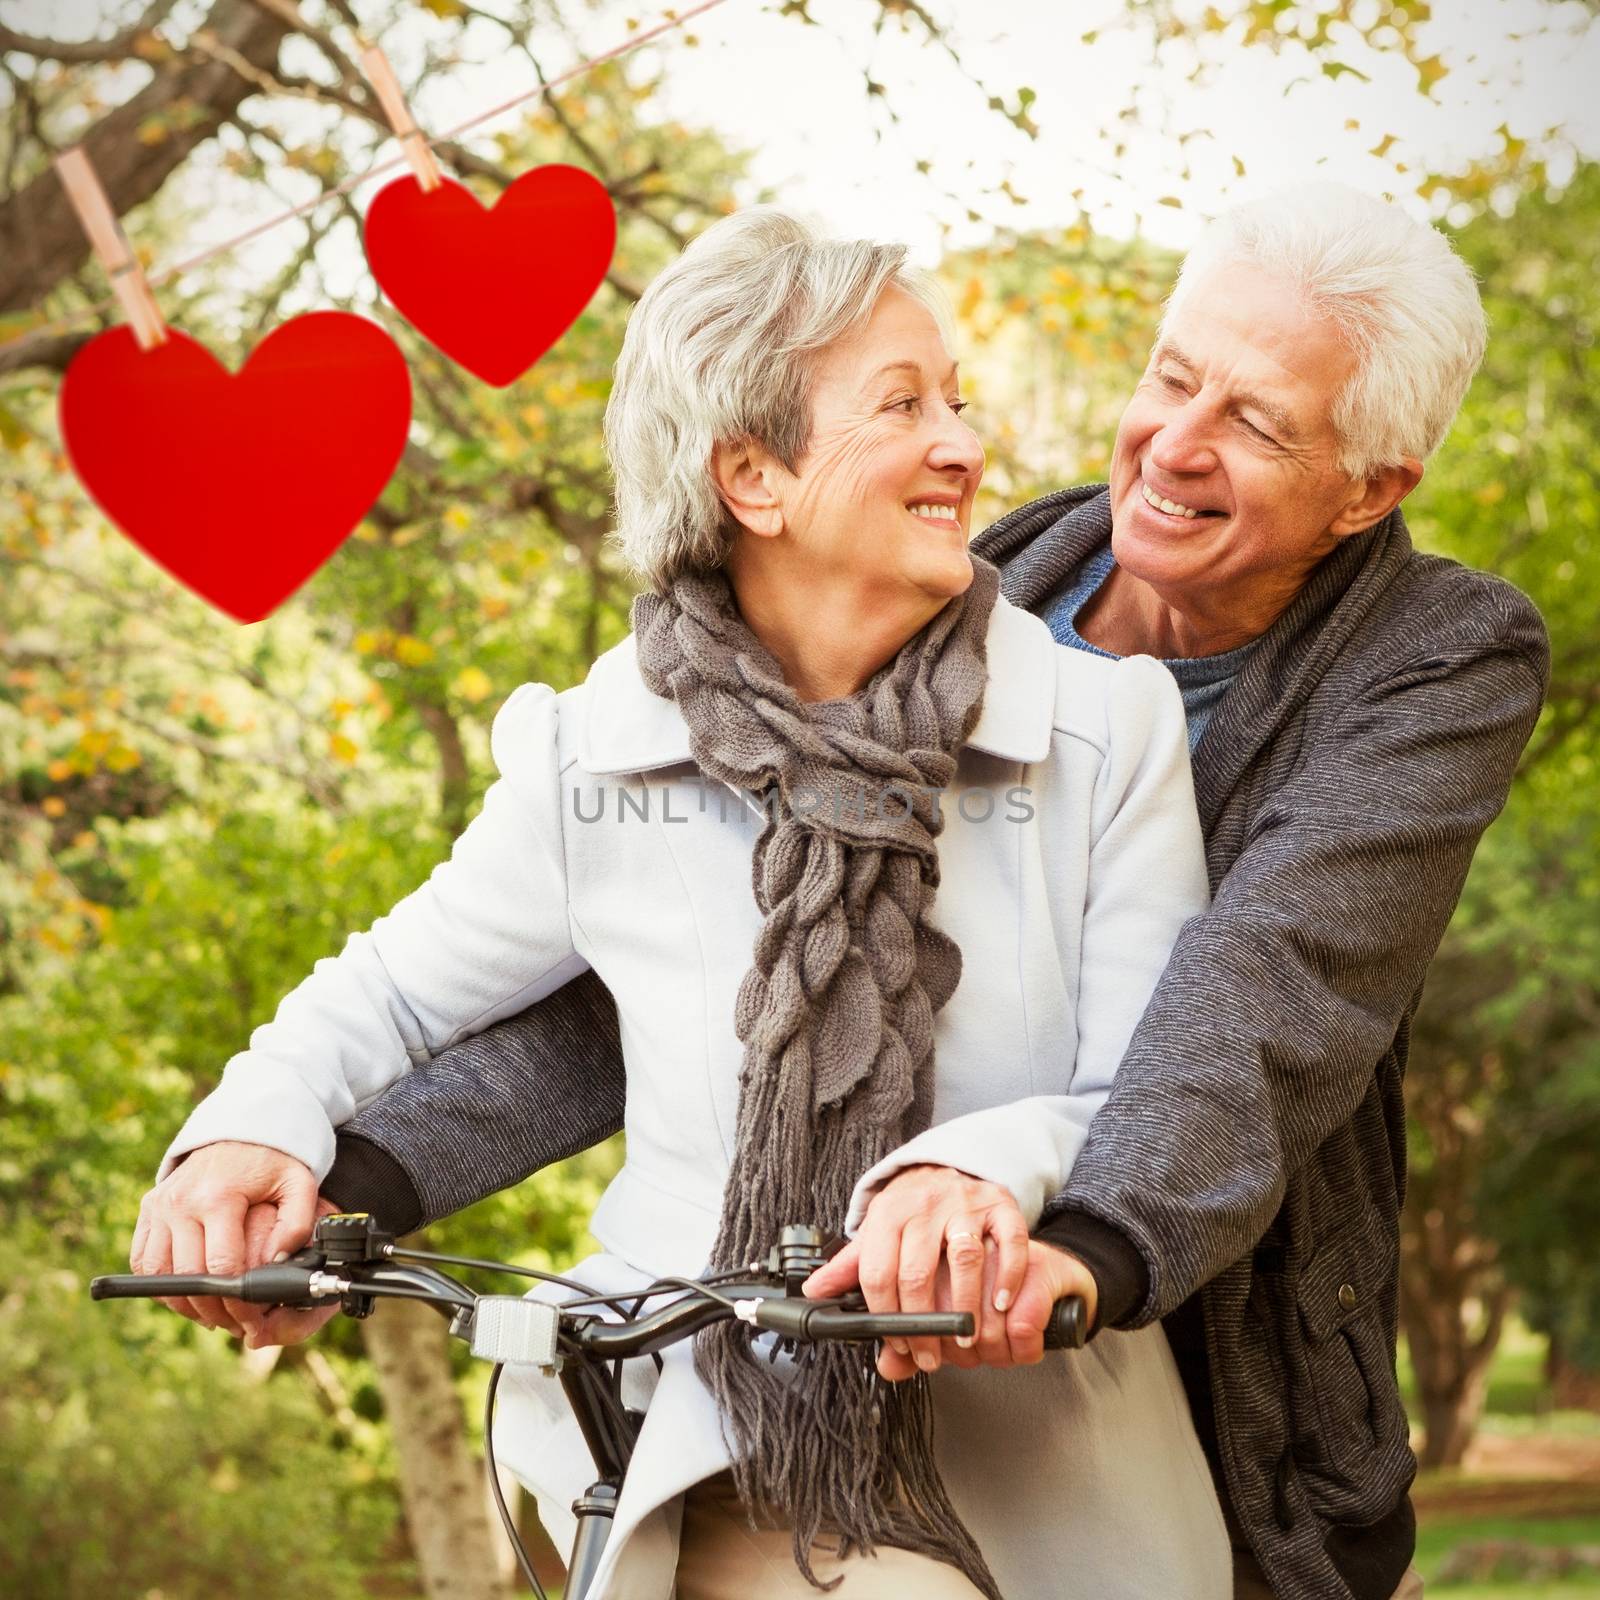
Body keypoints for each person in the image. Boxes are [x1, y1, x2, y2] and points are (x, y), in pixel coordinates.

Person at [130, 208, 1232, 1599]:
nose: (964, 446)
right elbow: (397, 990)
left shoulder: (1102, 731)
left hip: (1034, 1432)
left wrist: (977, 1176)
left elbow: (1152, 1090)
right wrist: (245, 1132)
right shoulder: (604, 742)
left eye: (957, 399)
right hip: (698, 1416)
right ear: (754, 478)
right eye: (903, 405)